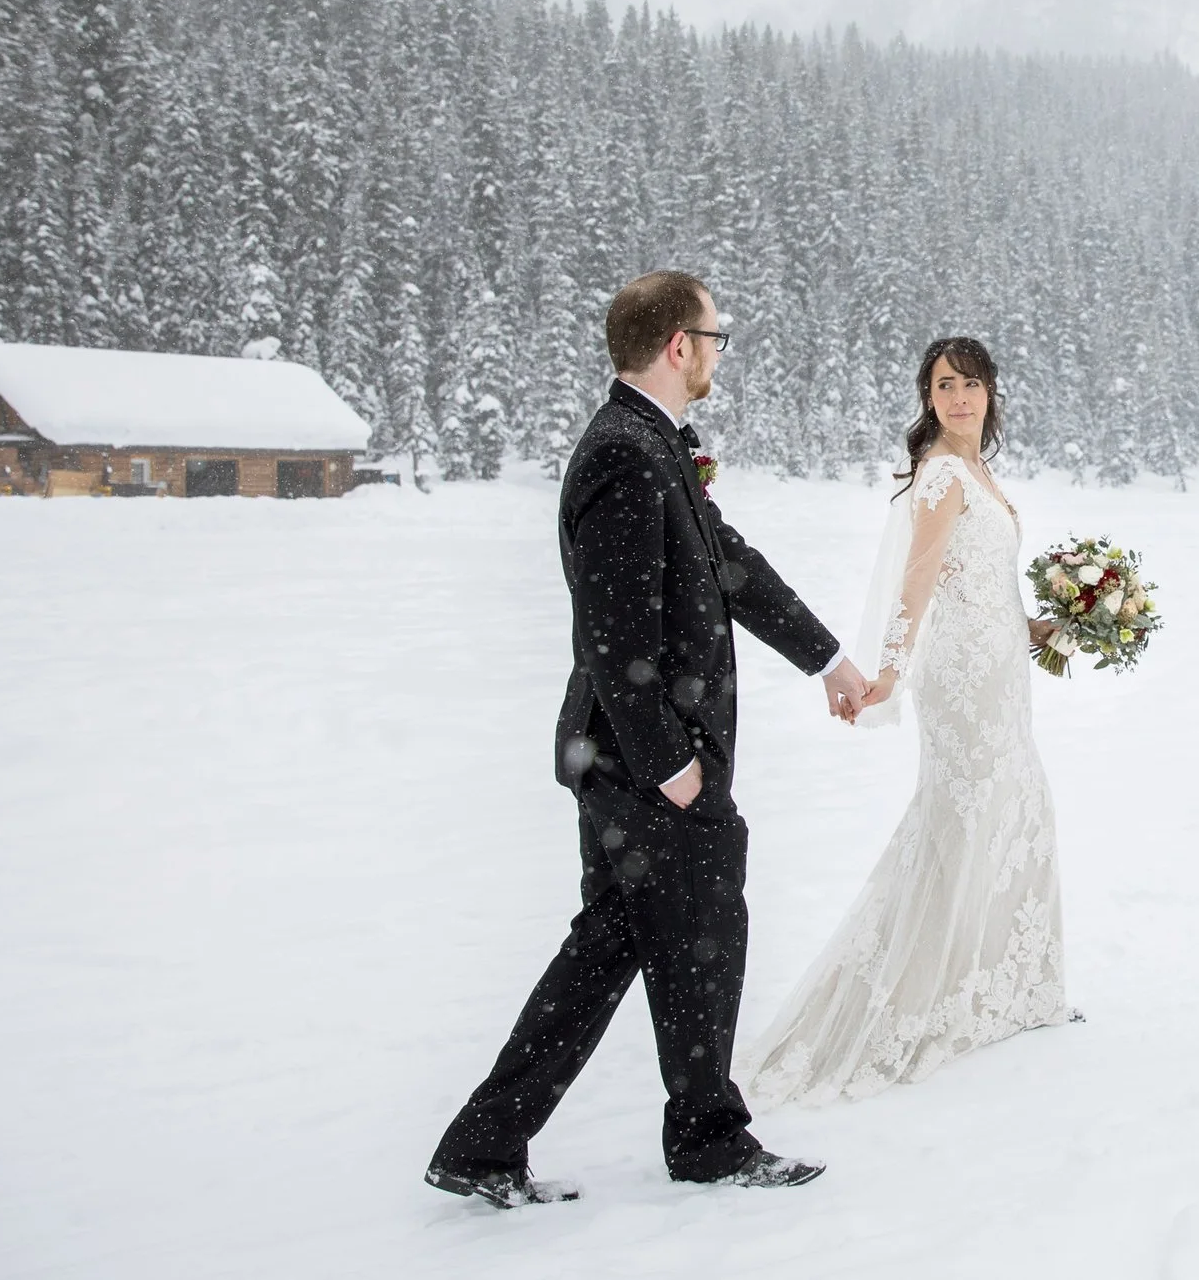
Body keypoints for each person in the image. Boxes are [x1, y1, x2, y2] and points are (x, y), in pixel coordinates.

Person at [426, 270, 871, 1207]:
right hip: (645, 762)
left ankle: (483, 1143)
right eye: (713, 337)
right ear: (679, 346)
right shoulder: (624, 456)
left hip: (629, 758)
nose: (717, 354)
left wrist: (826, 657)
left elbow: (732, 566)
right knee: (706, 930)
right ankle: (707, 1138)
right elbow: (613, 634)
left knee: (612, 945)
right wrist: (673, 767)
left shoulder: (654, 446)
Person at [742, 336, 1074, 1105]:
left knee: (1016, 813)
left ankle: (1011, 988)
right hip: (959, 682)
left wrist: (1053, 625)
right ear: (928, 398)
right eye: (943, 385)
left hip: (1002, 673)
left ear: (992, 393)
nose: (958, 397)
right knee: (959, 825)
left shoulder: (983, 472)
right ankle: (912, 1003)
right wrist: (887, 673)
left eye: (970, 383)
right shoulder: (941, 475)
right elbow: (916, 583)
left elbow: (986, 588)